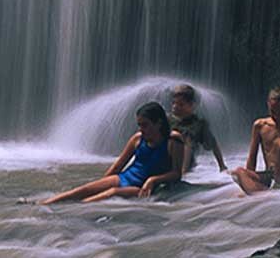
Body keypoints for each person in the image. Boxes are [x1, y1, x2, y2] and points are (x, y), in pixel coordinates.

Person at [40, 102, 184, 204]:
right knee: (82, 190)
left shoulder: (173, 141)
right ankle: (42, 205)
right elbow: (119, 165)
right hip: (124, 178)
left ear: (158, 123)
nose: (141, 129)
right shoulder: (137, 139)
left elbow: (177, 173)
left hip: (140, 187)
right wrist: (100, 183)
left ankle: (71, 212)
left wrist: (153, 180)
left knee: (112, 193)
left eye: (145, 125)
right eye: (139, 125)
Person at [231, 87, 280, 194]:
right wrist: (249, 178)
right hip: (271, 174)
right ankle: (261, 195)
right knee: (238, 172)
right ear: (268, 105)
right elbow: (252, 156)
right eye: (273, 111)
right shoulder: (260, 126)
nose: (276, 116)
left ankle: (276, 187)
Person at [169, 84, 228, 173]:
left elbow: (213, 144)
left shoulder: (198, 125)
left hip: (185, 161)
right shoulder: (167, 120)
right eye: (173, 103)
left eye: (181, 104)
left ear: (192, 106)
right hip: (167, 158)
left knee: (187, 139)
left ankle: (183, 172)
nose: (175, 107)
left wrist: (222, 166)